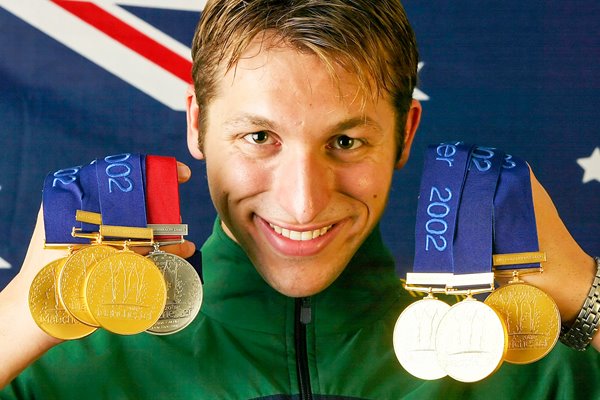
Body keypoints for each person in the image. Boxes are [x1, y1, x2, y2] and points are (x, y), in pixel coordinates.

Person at [1, 0, 599, 398]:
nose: (304, 202)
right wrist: (22, 318)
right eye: (259, 137)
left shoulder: (536, 366)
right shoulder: (54, 369)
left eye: (345, 140)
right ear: (198, 126)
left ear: (406, 134)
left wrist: (587, 295)